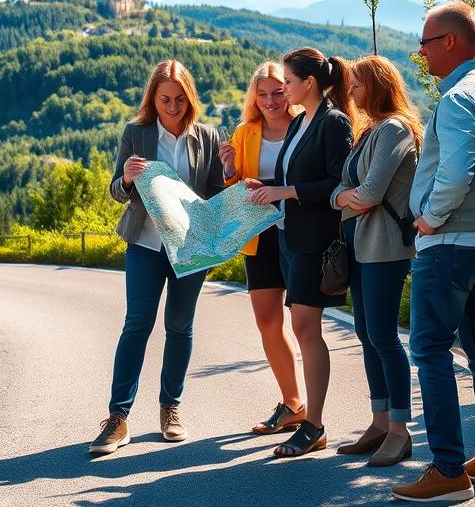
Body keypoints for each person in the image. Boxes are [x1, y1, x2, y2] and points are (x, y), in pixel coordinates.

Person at [392, 2, 475, 502]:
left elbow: (456, 172)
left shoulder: (459, 97)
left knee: (430, 349)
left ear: (450, 41)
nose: (420, 53)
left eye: (425, 42)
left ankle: (448, 471)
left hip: (450, 243)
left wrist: (428, 218)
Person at [89, 59, 224, 455]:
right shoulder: (137, 133)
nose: (173, 106)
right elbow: (116, 190)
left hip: (190, 249)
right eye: (165, 99)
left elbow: (214, 193)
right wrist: (127, 178)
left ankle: (171, 408)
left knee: (180, 327)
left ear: (190, 98)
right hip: (146, 246)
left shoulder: (208, 138)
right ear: (153, 98)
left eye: (180, 99)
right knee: (137, 324)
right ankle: (118, 418)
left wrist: (229, 178)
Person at [248, 47, 356, 457]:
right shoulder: (301, 123)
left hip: (315, 243)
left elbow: (337, 183)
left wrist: (287, 191)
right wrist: (267, 188)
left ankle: (314, 424)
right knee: (303, 330)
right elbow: (292, 178)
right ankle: (307, 419)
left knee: (308, 332)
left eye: (288, 82)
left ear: (308, 83)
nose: (283, 88)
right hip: (293, 241)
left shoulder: (333, 123)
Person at [331, 55, 419, 467]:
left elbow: (365, 194)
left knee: (383, 336)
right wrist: (346, 197)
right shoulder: (368, 132)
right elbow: (342, 191)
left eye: (356, 85)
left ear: (376, 85)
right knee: (367, 334)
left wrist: (348, 197)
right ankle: (380, 422)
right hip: (362, 246)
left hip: (385, 248)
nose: (350, 92)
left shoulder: (395, 130)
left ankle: (400, 431)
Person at [218, 62, 304, 435]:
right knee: (268, 322)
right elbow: (234, 190)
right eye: (263, 94)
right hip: (259, 234)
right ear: (254, 97)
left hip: (300, 231)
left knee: (304, 324)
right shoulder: (245, 132)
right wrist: (228, 170)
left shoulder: (306, 126)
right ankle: (292, 403)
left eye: (278, 92)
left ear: (289, 91)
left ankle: (312, 412)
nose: (270, 100)